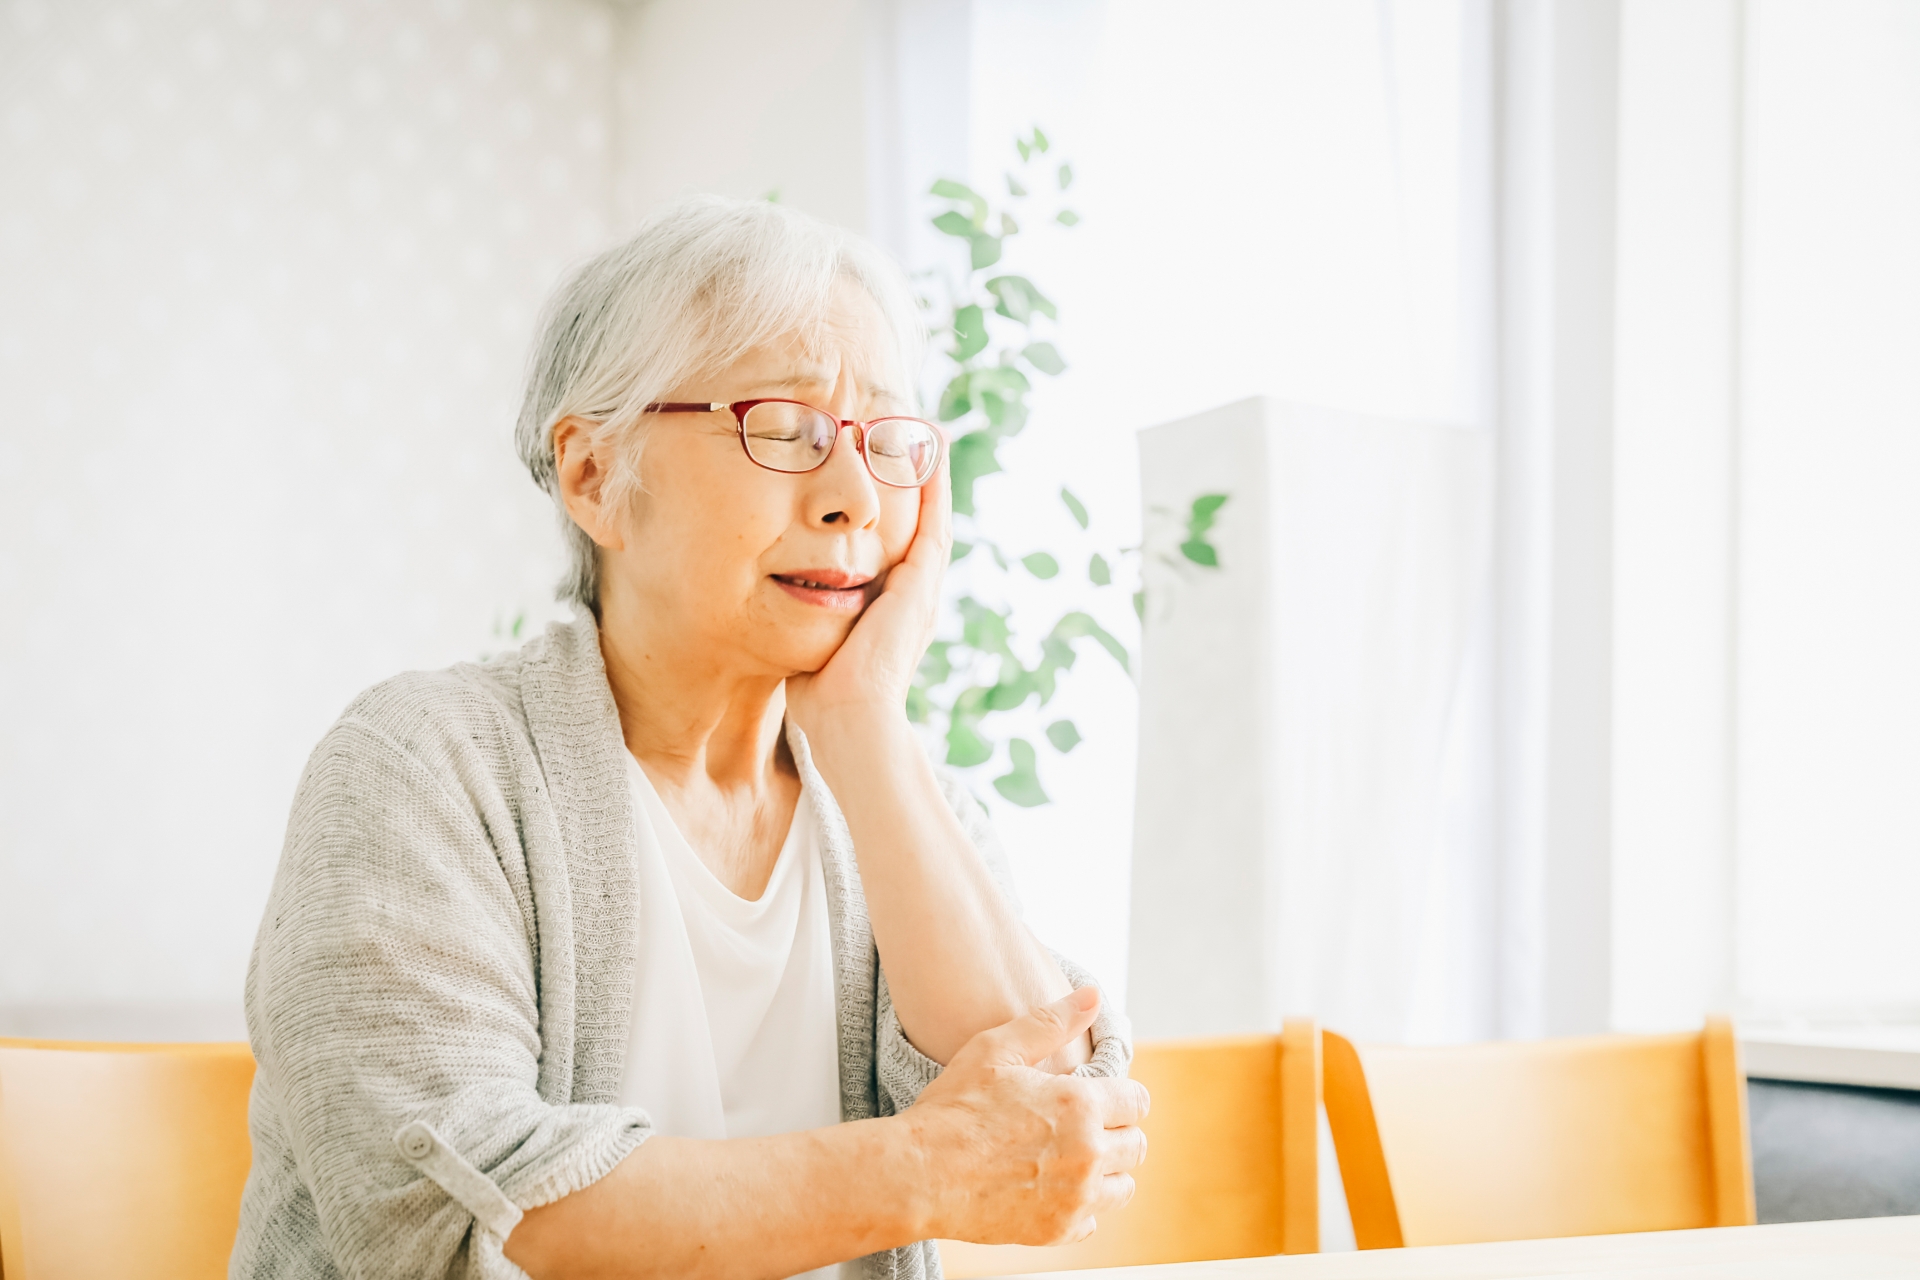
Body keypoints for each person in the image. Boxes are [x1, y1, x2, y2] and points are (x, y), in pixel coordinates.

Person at [231, 194, 1145, 1280]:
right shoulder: (422, 766)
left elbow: (1057, 1124)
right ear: (594, 476)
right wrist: (922, 1167)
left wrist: (865, 731)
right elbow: (458, 1215)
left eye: (886, 440)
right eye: (788, 428)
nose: (855, 495)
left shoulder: (900, 794)